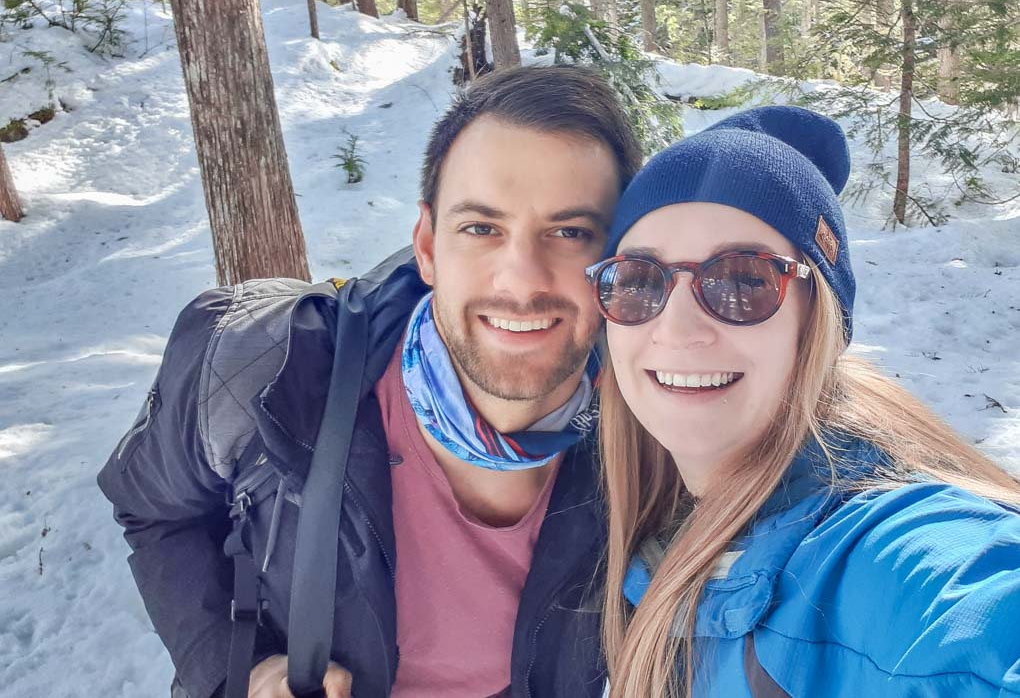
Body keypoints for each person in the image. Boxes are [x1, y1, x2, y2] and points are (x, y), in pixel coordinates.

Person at [98, 65, 643, 698]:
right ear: (428, 245)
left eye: (571, 232)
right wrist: (237, 669)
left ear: (619, 261)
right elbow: (154, 512)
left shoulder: (656, 420)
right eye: (480, 228)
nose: (521, 280)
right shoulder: (270, 368)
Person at [586, 106, 1020, 698]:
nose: (677, 328)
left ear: (817, 324)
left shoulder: (882, 561)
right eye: (639, 281)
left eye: (743, 280)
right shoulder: (655, 524)